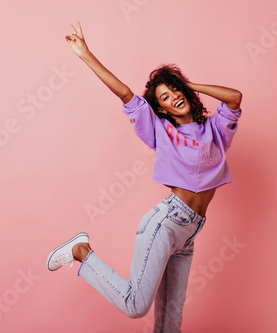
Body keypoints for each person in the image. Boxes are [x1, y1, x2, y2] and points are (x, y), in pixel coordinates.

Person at [46, 20, 243, 332]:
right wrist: (85, 53)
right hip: (166, 223)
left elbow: (234, 97)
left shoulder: (216, 130)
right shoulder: (161, 131)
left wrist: (189, 85)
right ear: (161, 109)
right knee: (136, 306)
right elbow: (124, 93)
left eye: (175, 90)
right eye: (164, 97)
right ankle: (81, 251)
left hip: (189, 232)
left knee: (170, 323)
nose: (172, 97)